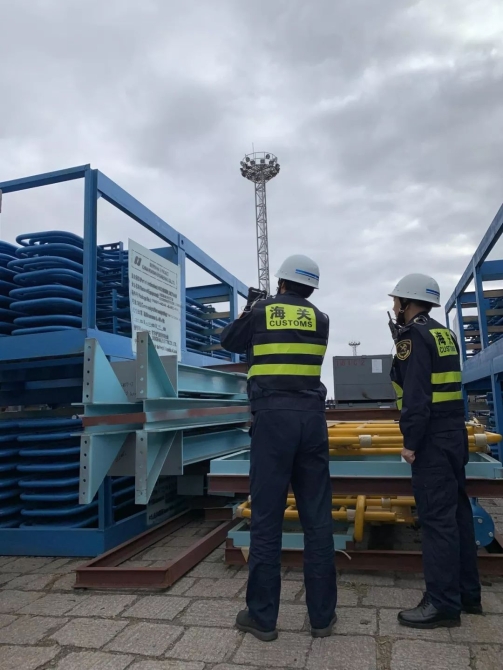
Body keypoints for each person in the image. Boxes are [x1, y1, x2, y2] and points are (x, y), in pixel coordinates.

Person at [220, 254, 337, 642]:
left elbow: (229, 341)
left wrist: (251, 306)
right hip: (312, 421)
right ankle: (322, 618)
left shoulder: (261, 311)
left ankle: (263, 617)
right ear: (311, 289)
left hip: (272, 421)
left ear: (281, 282)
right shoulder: (321, 319)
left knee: (267, 519)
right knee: (317, 520)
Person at [388, 273, 482, 629]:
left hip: (430, 440)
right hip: (454, 434)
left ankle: (442, 604)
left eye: (397, 300)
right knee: (458, 515)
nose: (394, 306)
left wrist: (410, 442)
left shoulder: (412, 337)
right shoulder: (445, 334)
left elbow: (416, 396)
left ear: (408, 302)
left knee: (436, 521)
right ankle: (468, 595)